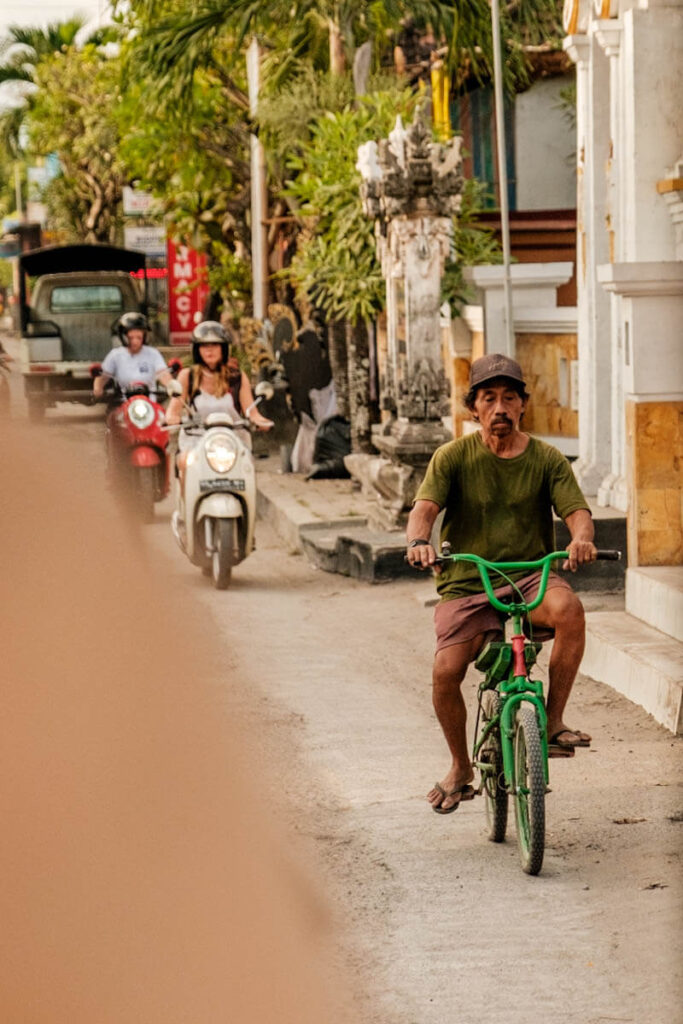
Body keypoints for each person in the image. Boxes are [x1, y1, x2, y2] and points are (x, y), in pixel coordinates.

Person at [406, 354, 597, 814]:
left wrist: (581, 540)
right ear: (474, 408)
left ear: (523, 405)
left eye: (509, 398)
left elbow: (577, 512)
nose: (500, 408)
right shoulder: (452, 457)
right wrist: (418, 540)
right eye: (488, 398)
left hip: (532, 578)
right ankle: (460, 767)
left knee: (570, 610)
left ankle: (551, 723)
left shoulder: (547, 459)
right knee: (445, 672)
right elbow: (425, 508)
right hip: (468, 584)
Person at [165, 320, 273, 492]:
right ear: (197, 349)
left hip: (232, 439)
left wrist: (260, 421)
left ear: (224, 348)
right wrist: (172, 417)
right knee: (185, 461)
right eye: (204, 345)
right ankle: (186, 509)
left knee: (248, 466)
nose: (209, 350)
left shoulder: (237, 377)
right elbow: (174, 407)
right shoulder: (188, 376)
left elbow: (250, 411)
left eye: (215, 345)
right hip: (196, 438)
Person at [93, 312, 172, 399]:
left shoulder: (153, 353)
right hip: (122, 402)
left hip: (149, 404)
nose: (135, 341)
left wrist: (171, 386)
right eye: (131, 338)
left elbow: (163, 373)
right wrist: (98, 389)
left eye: (139, 337)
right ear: (123, 337)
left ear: (144, 337)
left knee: (163, 412)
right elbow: (104, 376)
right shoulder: (115, 355)